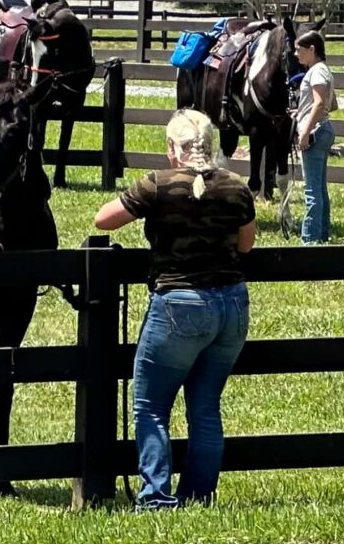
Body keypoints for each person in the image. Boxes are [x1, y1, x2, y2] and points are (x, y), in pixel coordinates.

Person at [93, 109, 255, 509]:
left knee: (150, 406)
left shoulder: (158, 185)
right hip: (231, 304)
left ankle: (156, 496)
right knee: (205, 406)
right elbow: (246, 245)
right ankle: (200, 495)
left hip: (179, 303)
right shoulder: (237, 186)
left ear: (172, 148)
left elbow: (104, 221)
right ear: (211, 147)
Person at [292, 29, 337, 244]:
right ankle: (322, 234)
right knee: (319, 187)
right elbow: (332, 104)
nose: (295, 54)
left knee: (311, 190)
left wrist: (305, 131)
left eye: (299, 50)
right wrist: (301, 111)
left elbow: (319, 103)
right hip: (325, 128)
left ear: (312, 49)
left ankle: (309, 239)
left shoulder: (316, 72)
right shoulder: (324, 70)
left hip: (315, 132)